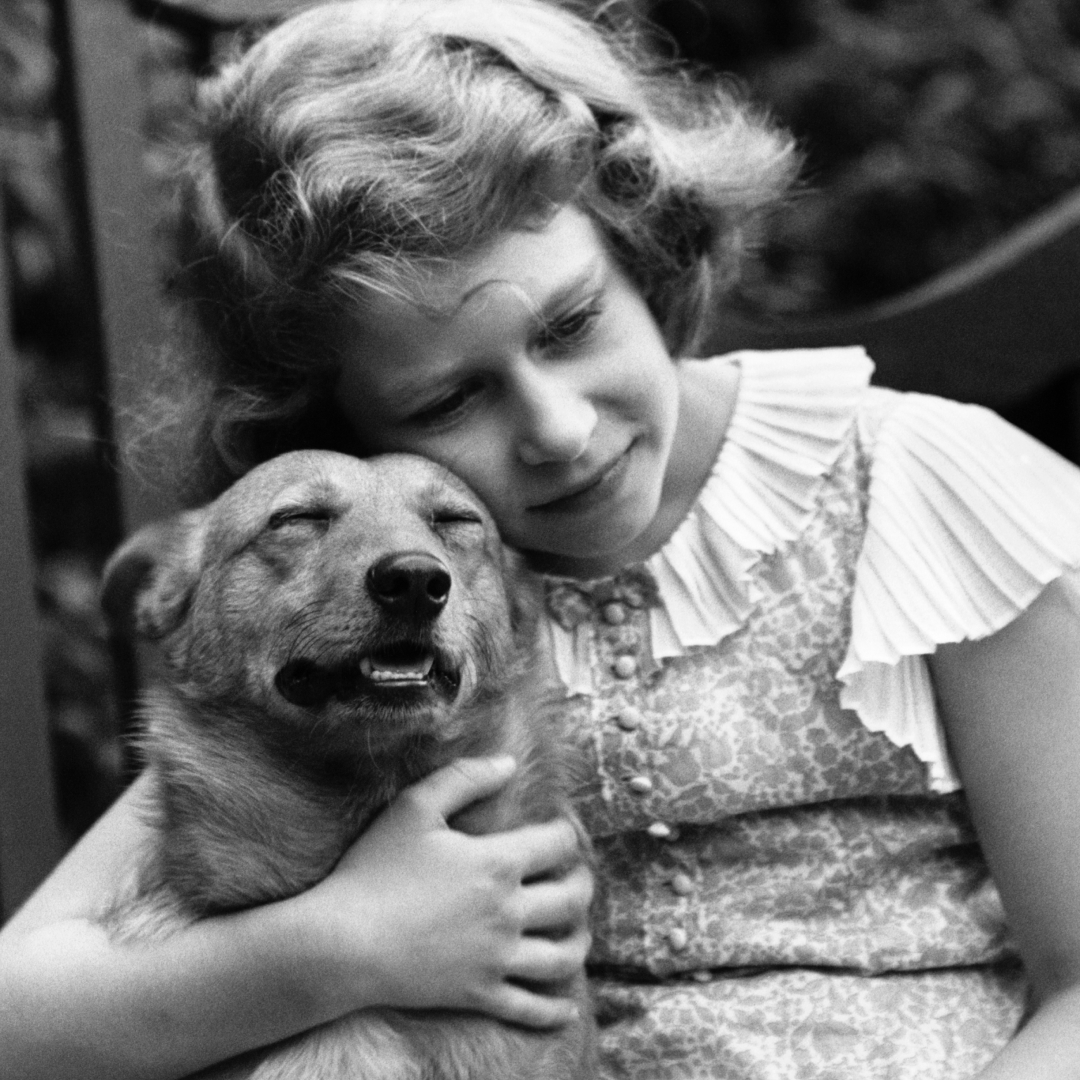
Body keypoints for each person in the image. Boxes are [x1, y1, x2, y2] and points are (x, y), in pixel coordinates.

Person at [3, 1, 1080, 1077]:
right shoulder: (381, 626)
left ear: (643, 245)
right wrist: (338, 949)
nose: (559, 431)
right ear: (341, 424)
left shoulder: (911, 493)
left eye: (571, 325)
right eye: (447, 399)